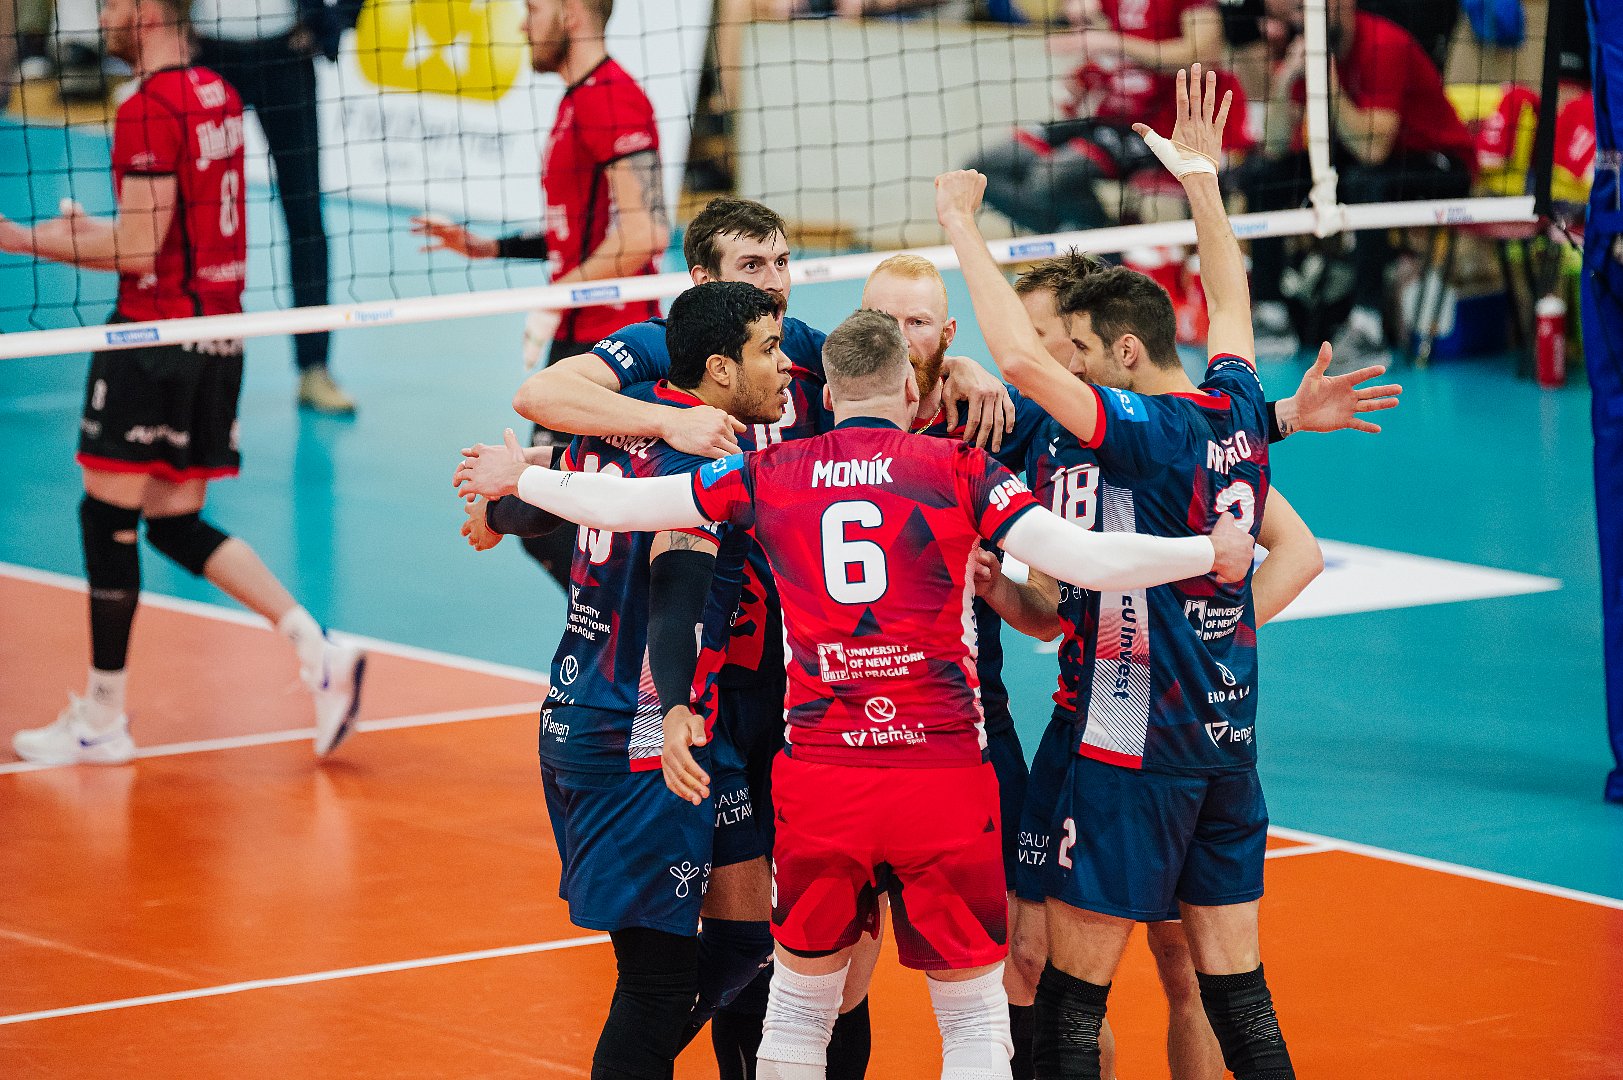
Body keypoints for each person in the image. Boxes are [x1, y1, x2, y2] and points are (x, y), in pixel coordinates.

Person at [457, 305, 1257, 1080]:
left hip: (821, 780)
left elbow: (626, 504)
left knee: (798, 1008)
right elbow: (1083, 559)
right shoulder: (962, 469)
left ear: (828, 396)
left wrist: (522, 476)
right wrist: (1204, 552)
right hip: (941, 778)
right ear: (909, 389)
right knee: (973, 1017)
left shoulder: (768, 471)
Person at [938, 67, 1301, 1079]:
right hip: (1228, 745)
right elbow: (1230, 296)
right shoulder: (1236, 405)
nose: (1076, 370)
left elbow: (1021, 363)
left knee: (1069, 1001)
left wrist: (962, 227)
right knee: (1242, 997)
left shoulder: (1143, 431)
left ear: (1128, 352)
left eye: (1087, 354)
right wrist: (1201, 182)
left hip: (1131, 749)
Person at [0, 0, 365, 765]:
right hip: (220, 337)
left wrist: (24, 240)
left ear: (145, 12)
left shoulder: (147, 105)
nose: (102, 16)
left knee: (106, 516)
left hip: (155, 339)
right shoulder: (215, 93)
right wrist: (86, 233)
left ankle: (102, 718)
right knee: (171, 519)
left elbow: (140, 248)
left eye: (111, 5)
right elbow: (172, 230)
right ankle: (318, 647)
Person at [463, 281, 792, 1079]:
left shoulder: (630, 416)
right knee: (655, 985)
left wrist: (499, 511)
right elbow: (676, 597)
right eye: (770, 350)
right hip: (635, 733)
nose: (785, 366)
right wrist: (673, 706)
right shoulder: (699, 455)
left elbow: (574, 491)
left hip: (632, 720)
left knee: (745, 940)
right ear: (720, 368)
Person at [412, 0, 671, 586]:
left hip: (611, 346)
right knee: (555, 518)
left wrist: (555, 299)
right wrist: (491, 248)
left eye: (533, 8)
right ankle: (625, 636)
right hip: (581, 337)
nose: (523, 23)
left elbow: (645, 233)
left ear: (572, 13)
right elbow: (581, 231)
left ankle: (634, 637)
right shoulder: (579, 99)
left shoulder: (611, 97)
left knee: (553, 515)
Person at [1239, 0, 1474, 364]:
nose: (1302, 19)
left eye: (1308, 8)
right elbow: (1273, 147)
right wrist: (1285, 82)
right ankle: (1271, 315)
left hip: (1438, 162)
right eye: (1297, 12)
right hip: (1368, 158)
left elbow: (1373, 150)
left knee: (1364, 182)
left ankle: (1368, 325)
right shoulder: (1308, 46)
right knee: (1262, 175)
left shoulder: (1384, 44)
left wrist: (1327, 84)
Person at [192, 0, 361, 414]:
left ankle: (314, 368)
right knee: (193, 215)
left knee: (305, 216)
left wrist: (331, 22)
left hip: (285, 52)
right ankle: (187, 360)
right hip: (206, 54)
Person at [966, 0, 1231, 236]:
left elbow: (1204, 55)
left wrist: (1107, 42)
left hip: (1161, 127)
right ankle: (1085, 244)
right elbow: (1112, 54)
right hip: (1107, 120)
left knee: (1050, 176)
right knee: (982, 169)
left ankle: (1104, 254)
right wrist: (1091, 75)